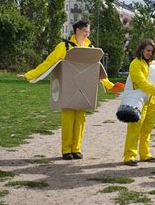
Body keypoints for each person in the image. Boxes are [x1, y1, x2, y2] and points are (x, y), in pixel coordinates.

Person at [22, 20, 120, 160]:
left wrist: (110, 85)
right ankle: (66, 150)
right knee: (68, 119)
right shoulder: (64, 46)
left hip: (84, 88)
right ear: (78, 30)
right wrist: (30, 75)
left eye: (88, 32)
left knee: (81, 119)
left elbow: (96, 69)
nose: (88, 34)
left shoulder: (91, 48)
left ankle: (76, 149)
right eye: (86, 31)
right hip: (68, 87)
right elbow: (48, 62)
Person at [122, 39, 155, 166]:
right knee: (134, 128)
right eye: (148, 50)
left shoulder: (151, 65)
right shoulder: (135, 64)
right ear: (142, 49)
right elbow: (141, 82)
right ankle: (129, 156)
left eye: (151, 52)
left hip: (151, 101)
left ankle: (145, 154)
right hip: (138, 101)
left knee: (147, 129)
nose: (149, 53)